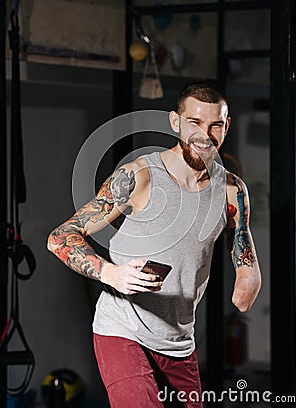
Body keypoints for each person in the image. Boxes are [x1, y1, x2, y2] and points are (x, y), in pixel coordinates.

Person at [47, 81, 261, 408]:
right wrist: (109, 273)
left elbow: (242, 244)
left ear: (226, 126)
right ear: (175, 122)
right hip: (123, 329)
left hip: (178, 341)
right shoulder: (139, 176)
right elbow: (61, 236)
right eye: (195, 123)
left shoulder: (233, 191)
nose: (205, 134)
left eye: (215, 124)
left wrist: (247, 277)